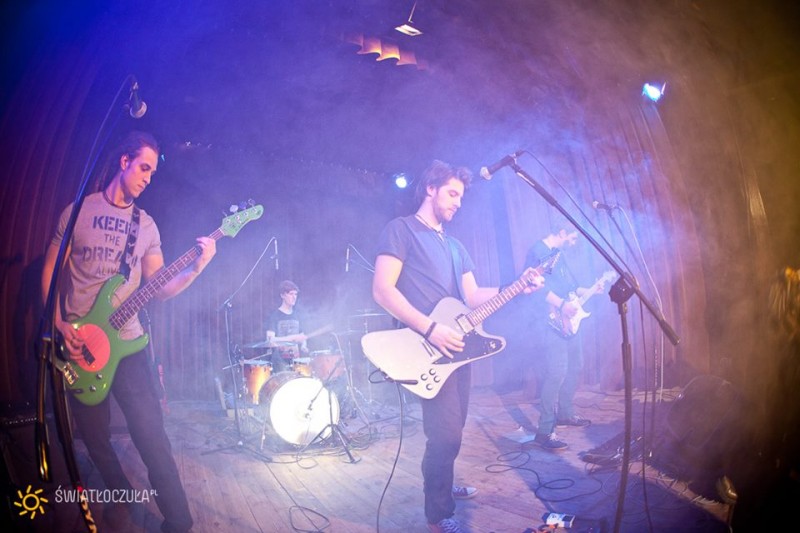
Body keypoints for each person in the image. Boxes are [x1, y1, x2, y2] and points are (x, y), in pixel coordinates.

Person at [41, 131, 216, 532]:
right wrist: (58, 323)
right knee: (94, 438)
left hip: (128, 344)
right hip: (79, 344)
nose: (148, 178)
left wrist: (198, 267)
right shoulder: (77, 212)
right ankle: (119, 493)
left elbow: (160, 287)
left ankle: (179, 520)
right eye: (143, 168)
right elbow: (50, 270)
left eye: (153, 172)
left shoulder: (146, 226)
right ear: (124, 162)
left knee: (151, 433)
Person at [372, 160, 545, 533]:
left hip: (456, 349)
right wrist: (431, 328)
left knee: (453, 430)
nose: (457, 203)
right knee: (445, 434)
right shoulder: (401, 230)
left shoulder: (455, 246)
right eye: (452, 193)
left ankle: (443, 484)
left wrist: (516, 286)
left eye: (461, 197)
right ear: (430, 188)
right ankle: (438, 514)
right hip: (425, 348)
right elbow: (383, 290)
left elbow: (472, 295)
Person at [524, 227, 604, 450]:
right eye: (573, 237)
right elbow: (536, 288)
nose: (574, 242)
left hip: (569, 320)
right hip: (550, 322)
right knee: (557, 372)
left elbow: (571, 288)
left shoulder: (558, 255)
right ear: (562, 231)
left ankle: (565, 413)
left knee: (576, 365)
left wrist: (591, 290)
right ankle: (544, 432)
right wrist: (561, 305)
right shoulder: (538, 251)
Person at [265, 279, 309, 373]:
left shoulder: (298, 315)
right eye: (291, 294)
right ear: (282, 295)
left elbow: (302, 336)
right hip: (279, 362)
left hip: (296, 361)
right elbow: (270, 340)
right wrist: (291, 338)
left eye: (295, 294)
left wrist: (304, 345)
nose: (294, 297)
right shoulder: (274, 316)